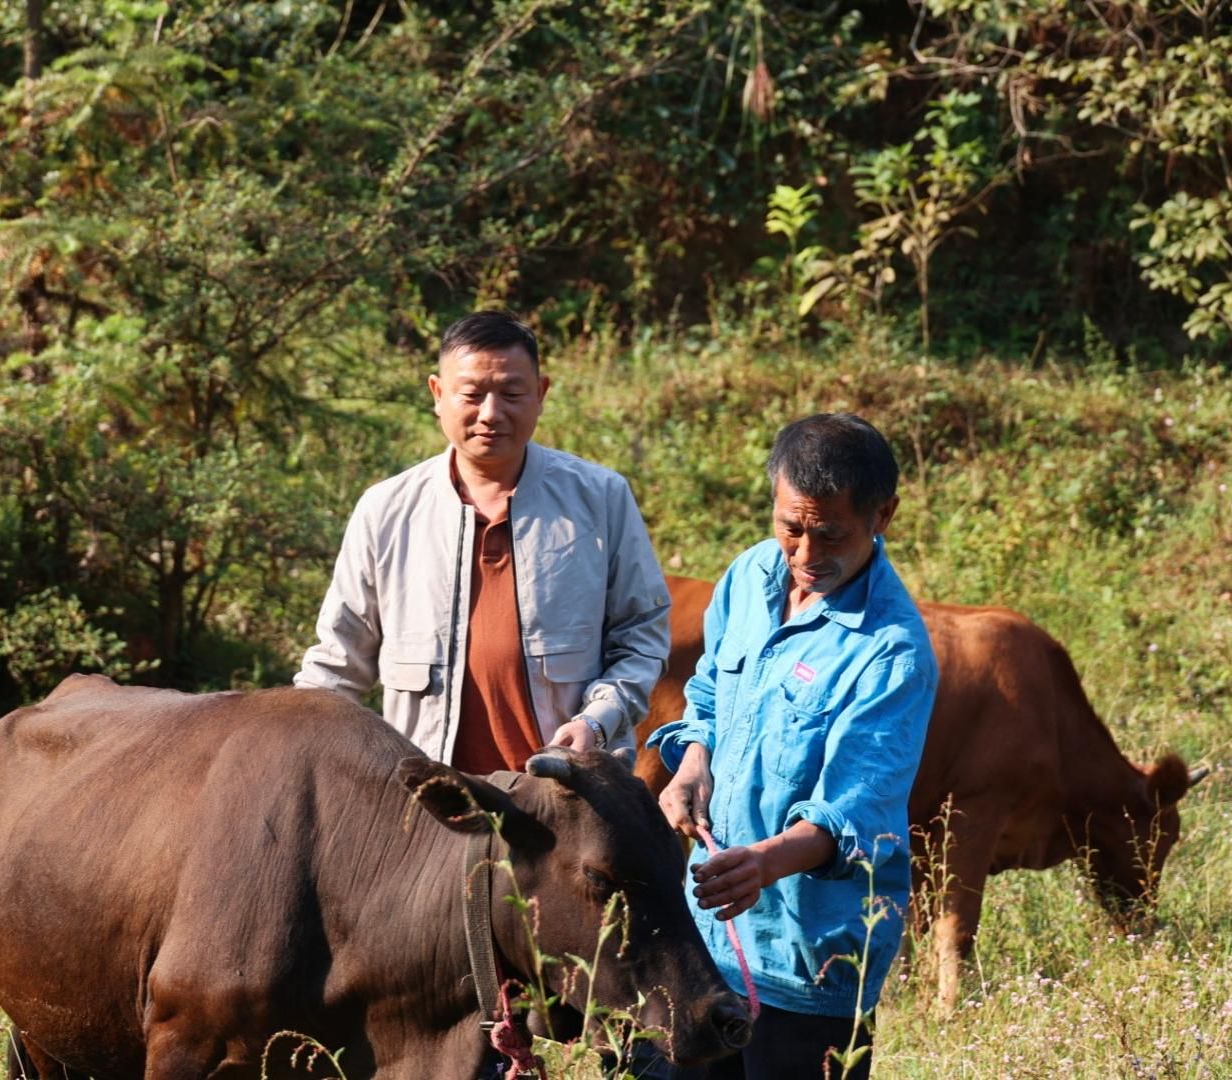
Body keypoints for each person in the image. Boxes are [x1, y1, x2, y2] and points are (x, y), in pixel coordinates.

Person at [647, 413, 938, 1080]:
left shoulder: (891, 654)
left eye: (830, 533)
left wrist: (764, 863)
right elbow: (712, 692)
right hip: (708, 935)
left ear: (882, 514)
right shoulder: (750, 576)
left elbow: (855, 815)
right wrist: (694, 762)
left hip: (808, 962)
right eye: (791, 527)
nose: (806, 554)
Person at [294, 311, 670, 772]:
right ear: (437, 394)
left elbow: (642, 636)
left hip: (571, 792)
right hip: (433, 799)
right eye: (472, 395)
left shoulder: (600, 499)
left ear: (541, 394)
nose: (491, 414)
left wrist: (596, 722)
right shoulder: (386, 510)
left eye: (512, 394)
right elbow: (336, 663)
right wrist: (293, 746)